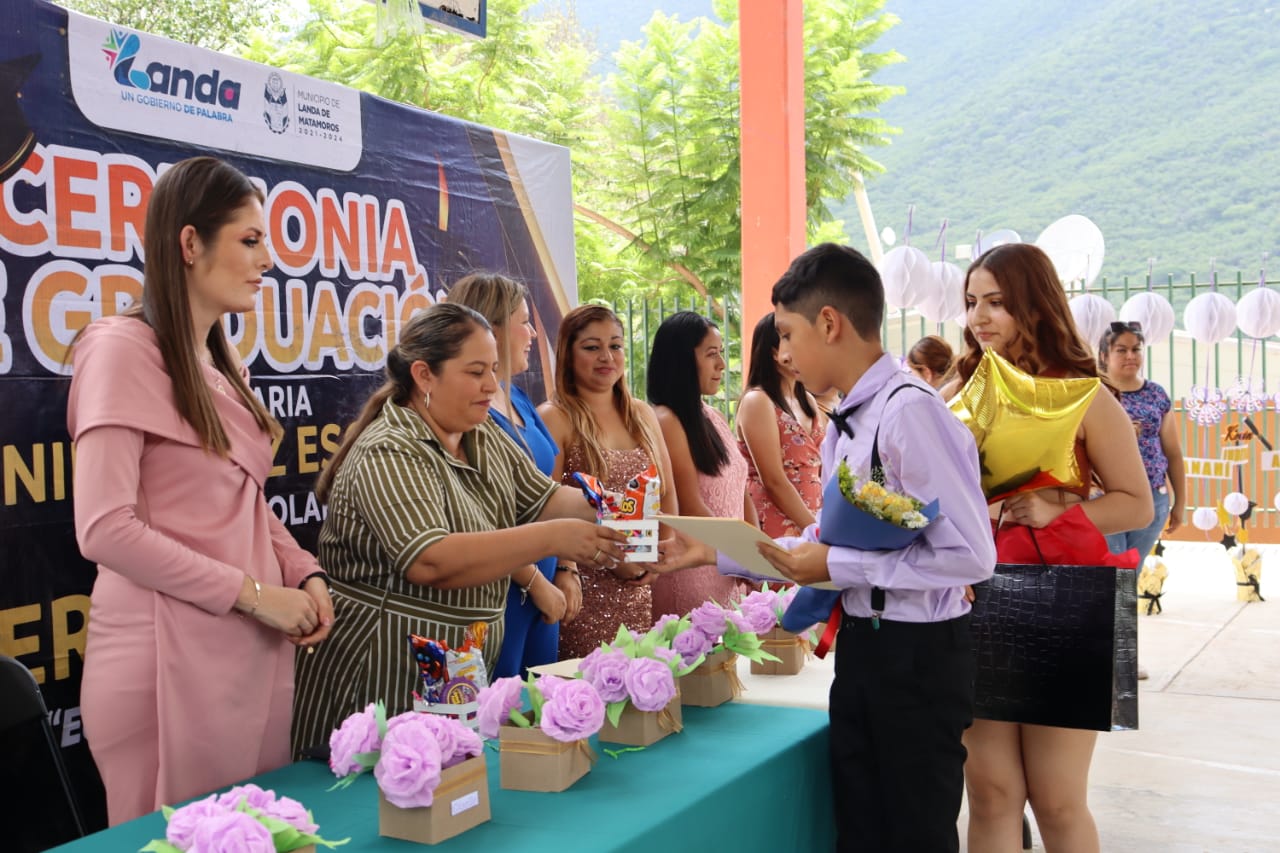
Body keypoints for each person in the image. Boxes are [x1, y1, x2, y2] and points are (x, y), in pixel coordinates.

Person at [656, 244, 996, 852]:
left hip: (917, 655)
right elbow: (821, 542)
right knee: (860, 829)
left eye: (788, 333)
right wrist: (711, 553)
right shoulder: (847, 418)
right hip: (867, 646)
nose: (782, 352)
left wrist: (836, 564)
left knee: (914, 834)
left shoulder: (908, 413)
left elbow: (972, 555)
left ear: (831, 323)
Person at [67, 156, 335, 824]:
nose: (267, 260)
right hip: (164, 660)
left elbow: (244, 499)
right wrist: (256, 597)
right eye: (250, 240)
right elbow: (104, 528)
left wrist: (302, 571)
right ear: (190, 243)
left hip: (245, 651)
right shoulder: (120, 348)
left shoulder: (221, 358)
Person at [290, 303, 626, 755]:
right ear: (424, 375)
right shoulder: (388, 449)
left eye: (493, 369)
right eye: (475, 372)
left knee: (453, 787)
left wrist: (621, 510)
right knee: (383, 787)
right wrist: (553, 538)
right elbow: (431, 560)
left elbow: (544, 499)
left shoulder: (481, 434)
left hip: (458, 669)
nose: (491, 384)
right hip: (381, 674)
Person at [946, 243, 1152, 853]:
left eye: (997, 302)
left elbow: (1137, 504)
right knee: (990, 794)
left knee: (1058, 801)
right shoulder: (956, 392)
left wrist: (1059, 513)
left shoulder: (1085, 395)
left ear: (1034, 305)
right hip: (971, 599)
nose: (980, 316)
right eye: (972, 302)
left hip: (1065, 603)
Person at [448, 272, 579, 677]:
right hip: (504, 591)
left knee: (541, 703)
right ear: (492, 329)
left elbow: (550, 490)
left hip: (545, 583)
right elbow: (477, 517)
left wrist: (566, 566)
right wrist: (535, 583)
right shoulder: (470, 414)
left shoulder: (519, 398)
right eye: (524, 322)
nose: (533, 334)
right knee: (502, 706)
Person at [538, 304, 676, 659]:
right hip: (582, 587)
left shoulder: (642, 414)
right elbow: (543, 505)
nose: (606, 357)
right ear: (568, 353)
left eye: (615, 345)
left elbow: (667, 493)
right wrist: (568, 567)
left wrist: (659, 557)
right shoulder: (555, 417)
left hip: (640, 585)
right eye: (592, 347)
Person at [646, 311, 755, 614]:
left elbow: (743, 493)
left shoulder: (713, 415)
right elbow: (690, 505)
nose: (721, 364)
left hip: (728, 563)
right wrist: (743, 555)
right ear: (682, 359)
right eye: (711, 354)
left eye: (720, 353)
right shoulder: (666, 420)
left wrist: (752, 555)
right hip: (695, 571)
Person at [1097, 320, 1185, 560]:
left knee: (1130, 570)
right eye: (1121, 350)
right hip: (1105, 497)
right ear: (1104, 356)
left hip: (1153, 496)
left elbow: (1173, 453)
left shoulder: (1156, 394)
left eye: (1136, 349)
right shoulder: (1094, 392)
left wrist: (1179, 503)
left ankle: (1127, 588)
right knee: (1114, 568)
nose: (1130, 356)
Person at [736, 311, 825, 539]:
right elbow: (773, 481)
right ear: (775, 352)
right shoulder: (758, 401)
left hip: (813, 518)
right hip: (777, 521)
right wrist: (814, 529)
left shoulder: (808, 400)